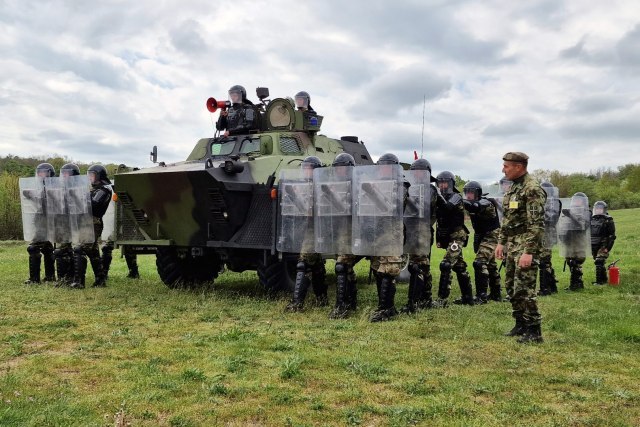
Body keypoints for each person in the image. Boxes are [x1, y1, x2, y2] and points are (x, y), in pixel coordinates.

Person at [495, 152, 546, 343]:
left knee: (525, 288)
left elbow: (537, 224)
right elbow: (507, 219)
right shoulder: (514, 187)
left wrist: (529, 252)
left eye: (506, 166)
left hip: (526, 245)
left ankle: (534, 331)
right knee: (511, 286)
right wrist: (501, 242)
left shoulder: (531, 189)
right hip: (512, 244)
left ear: (518, 166)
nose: (503, 169)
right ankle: (520, 324)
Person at [368, 153, 407, 322]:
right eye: (381, 166)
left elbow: (393, 205)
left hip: (392, 231)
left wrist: (373, 193)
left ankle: (387, 309)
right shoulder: (375, 184)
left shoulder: (401, 185)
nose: (383, 170)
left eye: (386, 166)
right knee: (378, 268)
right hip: (377, 231)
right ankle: (383, 306)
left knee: (389, 270)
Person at [286, 156, 327, 311]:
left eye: (309, 168)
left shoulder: (323, 186)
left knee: (303, 263)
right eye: (304, 168)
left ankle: (297, 303)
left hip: (319, 228)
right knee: (315, 265)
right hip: (306, 228)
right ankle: (321, 298)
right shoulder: (301, 186)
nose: (305, 171)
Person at [401, 158, 438, 312]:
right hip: (410, 229)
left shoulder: (430, 189)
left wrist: (408, 198)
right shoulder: (412, 187)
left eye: (419, 172)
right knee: (422, 266)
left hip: (422, 231)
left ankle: (414, 303)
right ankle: (426, 298)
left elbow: (422, 208)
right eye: (414, 172)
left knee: (418, 266)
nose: (416, 175)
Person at [326, 153, 360, 319]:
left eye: (342, 168)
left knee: (341, 266)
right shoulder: (334, 185)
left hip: (353, 231)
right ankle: (351, 300)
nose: (339, 171)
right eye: (337, 168)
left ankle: (341, 307)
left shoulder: (358, 185)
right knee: (346, 268)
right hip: (339, 231)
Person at [70, 165, 112, 289]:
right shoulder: (92, 189)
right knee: (93, 252)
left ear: (99, 176)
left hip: (93, 222)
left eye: (92, 175)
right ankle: (100, 279)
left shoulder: (103, 190)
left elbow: (93, 204)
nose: (89, 178)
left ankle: (79, 282)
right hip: (86, 221)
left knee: (80, 249)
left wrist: (79, 195)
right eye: (89, 175)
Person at [434, 171, 473, 307]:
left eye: (445, 182)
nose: (443, 185)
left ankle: (442, 300)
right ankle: (468, 298)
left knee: (446, 264)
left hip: (457, 235)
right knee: (459, 266)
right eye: (440, 183)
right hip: (446, 235)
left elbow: (447, 207)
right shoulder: (437, 198)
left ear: (450, 183)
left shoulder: (456, 196)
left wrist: (437, 195)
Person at [463, 181, 500, 304]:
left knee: (479, 263)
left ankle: (481, 296)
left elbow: (475, 207)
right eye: (466, 193)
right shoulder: (470, 203)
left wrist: (458, 199)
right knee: (491, 265)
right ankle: (496, 294)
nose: (468, 195)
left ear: (478, 193)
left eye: (471, 193)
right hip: (481, 235)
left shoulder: (486, 202)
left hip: (492, 235)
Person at [24, 163, 56, 285]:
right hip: (41, 221)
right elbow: (28, 193)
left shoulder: (54, 187)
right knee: (47, 248)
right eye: (39, 172)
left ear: (49, 174)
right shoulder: (40, 187)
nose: (40, 175)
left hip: (49, 222)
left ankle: (34, 279)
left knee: (33, 248)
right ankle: (50, 276)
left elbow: (49, 202)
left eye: (44, 172)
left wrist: (36, 196)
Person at [53, 163, 80, 286]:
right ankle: (63, 278)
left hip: (76, 223)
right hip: (62, 223)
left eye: (67, 173)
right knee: (60, 251)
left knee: (77, 250)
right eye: (62, 173)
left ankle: (76, 278)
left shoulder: (81, 188)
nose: (64, 176)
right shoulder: (57, 188)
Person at [558, 192, 591, 291]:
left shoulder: (586, 212)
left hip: (578, 241)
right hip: (568, 241)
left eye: (579, 200)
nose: (576, 202)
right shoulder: (568, 211)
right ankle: (574, 284)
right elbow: (562, 225)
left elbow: (583, 226)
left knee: (577, 261)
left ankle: (577, 284)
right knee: (570, 261)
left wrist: (571, 215)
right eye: (575, 200)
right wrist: (562, 235)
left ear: (583, 202)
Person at [538, 181, 562, 295]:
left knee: (544, 261)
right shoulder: (539, 201)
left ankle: (545, 289)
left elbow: (552, 218)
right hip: (540, 233)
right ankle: (552, 286)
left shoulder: (555, 202)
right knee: (545, 261)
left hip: (548, 233)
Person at [590, 201, 616, 284]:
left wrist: (607, 248)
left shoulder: (608, 220)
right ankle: (604, 280)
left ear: (604, 209)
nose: (598, 210)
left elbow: (612, 236)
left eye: (600, 209)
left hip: (603, 245)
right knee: (599, 263)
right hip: (593, 244)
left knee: (599, 261)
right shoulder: (591, 219)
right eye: (597, 209)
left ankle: (599, 282)